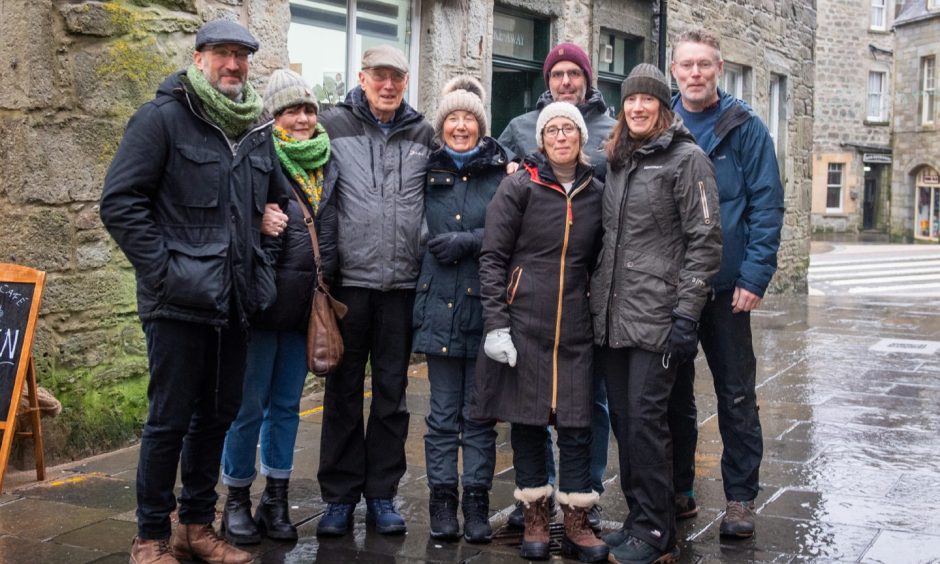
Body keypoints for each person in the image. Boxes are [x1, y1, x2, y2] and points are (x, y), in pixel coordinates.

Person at [100, 20, 288, 564]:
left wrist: (263, 262)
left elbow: (274, 210)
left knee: (219, 415)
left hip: (235, 302)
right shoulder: (163, 118)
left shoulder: (255, 127)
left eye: (242, 56)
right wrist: (165, 272)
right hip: (177, 304)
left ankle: (195, 526)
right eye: (223, 54)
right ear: (199, 57)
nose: (233, 65)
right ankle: (151, 537)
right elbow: (120, 203)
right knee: (169, 420)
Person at [592, 63, 721, 564]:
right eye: (631, 100)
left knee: (648, 422)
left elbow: (705, 242)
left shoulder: (688, 160)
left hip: (660, 317)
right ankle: (638, 518)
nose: (638, 107)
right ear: (622, 107)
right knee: (626, 421)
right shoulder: (620, 160)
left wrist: (687, 315)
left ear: (664, 108)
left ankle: (656, 529)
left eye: (648, 100)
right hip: (614, 315)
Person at [472, 102, 607, 563]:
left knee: (576, 424)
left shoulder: (596, 193)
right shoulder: (519, 187)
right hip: (523, 321)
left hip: (575, 325)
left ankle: (575, 518)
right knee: (527, 421)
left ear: (581, 138)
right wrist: (496, 323)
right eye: (553, 129)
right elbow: (491, 258)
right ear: (542, 139)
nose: (562, 136)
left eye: (570, 128)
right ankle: (533, 513)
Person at [667, 29, 784, 539]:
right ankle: (679, 490)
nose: (695, 73)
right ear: (674, 71)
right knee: (672, 396)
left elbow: (766, 204)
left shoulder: (746, 128)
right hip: (671, 289)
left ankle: (739, 499)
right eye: (687, 65)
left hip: (727, 287)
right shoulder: (659, 123)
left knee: (736, 396)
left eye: (704, 65)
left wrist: (755, 275)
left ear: (719, 69)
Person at [315, 44, 433, 537]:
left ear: (406, 82)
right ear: (362, 78)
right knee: (342, 393)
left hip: (402, 284)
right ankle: (339, 497)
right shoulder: (331, 124)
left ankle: (382, 494)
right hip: (348, 285)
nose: (388, 85)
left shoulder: (424, 132)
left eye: (396, 78)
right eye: (378, 77)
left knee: (392, 393)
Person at [497, 41, 616, 530]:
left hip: (584, 292)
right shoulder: (521, 127)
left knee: (587, 404)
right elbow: (497, 187)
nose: (565, 81)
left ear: (587, 78)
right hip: (533, 294)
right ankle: (536, 501)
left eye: (574, 73)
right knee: (530, 402)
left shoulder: (612, 131)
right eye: (557, 73)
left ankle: (582, 495)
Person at [220, 69, 337, 545]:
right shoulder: (255, 155)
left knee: (287, 407)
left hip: (304, 307)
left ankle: (277, 498)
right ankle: (236, 501)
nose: (304, 119)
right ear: (274, 117)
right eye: (293, 111)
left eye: (309, 109)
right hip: (261, 303)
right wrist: (256, 219)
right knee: (248, 407)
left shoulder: (328, 161)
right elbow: (226, 211)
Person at [413, 76, 507, 544]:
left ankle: (476, 503)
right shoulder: (425, 171)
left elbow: (514, 235)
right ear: (442, 124)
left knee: (480, 415)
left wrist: (468, 241)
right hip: (437, 305)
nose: (461, 126)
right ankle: (442, 502)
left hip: (486, 307)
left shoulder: (501, 173)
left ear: (481, 125)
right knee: (442, 415)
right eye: (453, 118)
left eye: (469, 118)